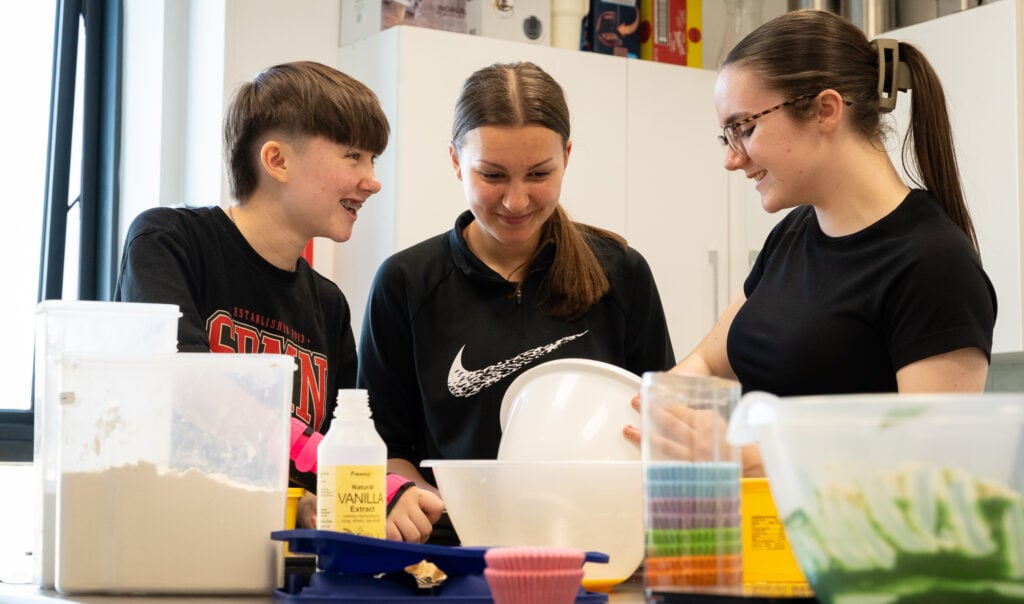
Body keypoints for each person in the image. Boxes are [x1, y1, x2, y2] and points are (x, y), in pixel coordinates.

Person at [625, 9, 997, 476]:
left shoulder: (934, 263)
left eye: (744, 128)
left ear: (825, 109)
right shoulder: (794, 234)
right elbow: (706, 361)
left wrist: (744, 459)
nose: (732, 159)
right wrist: (640, 410)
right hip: (773, 536)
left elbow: (929, 462)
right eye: (727, 135)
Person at [114, 60, 443, 542]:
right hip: (166, 543)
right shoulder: (168, 240)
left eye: (373, 160)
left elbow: (328, 442)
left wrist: (316, 497)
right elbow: (188, 390)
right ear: (277, 160)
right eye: (353, 156)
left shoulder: (328, 305)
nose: (371, 180)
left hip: (269, 558)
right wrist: (362, 483)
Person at [357, 61, 676, 535]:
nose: (516, 201)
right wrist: (427, 503)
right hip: (451, 556)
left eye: (538, 173)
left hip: (594, 549)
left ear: (567, 156)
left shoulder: (621, 274)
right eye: (492, 175)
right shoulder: (406, 282)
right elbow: (382, 444)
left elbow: (660, 427)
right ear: (454, 161)